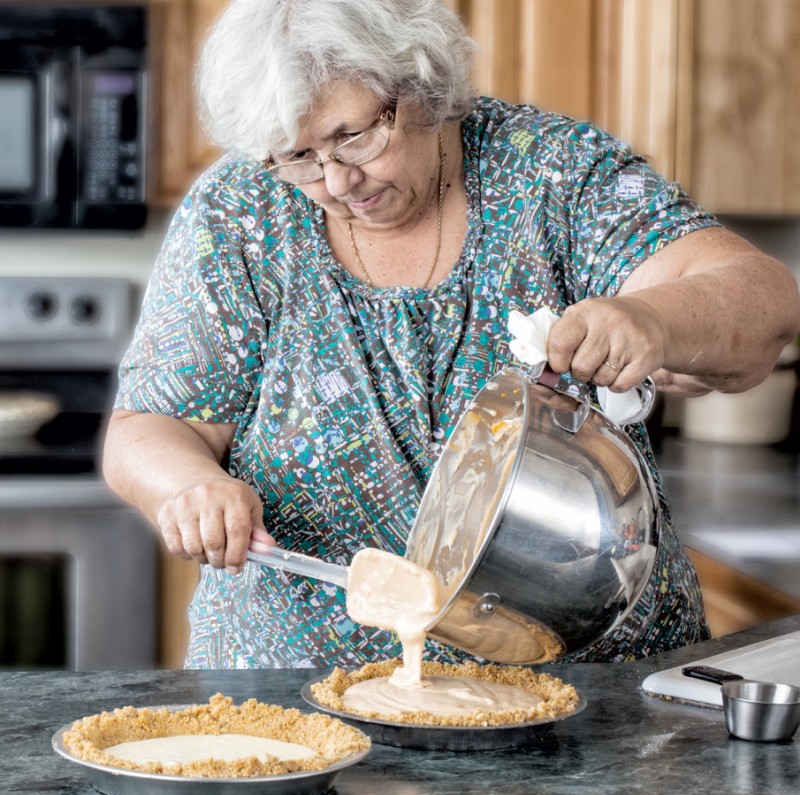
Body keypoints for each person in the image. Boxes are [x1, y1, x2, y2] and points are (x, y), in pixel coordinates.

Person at [103, 0, 800, 669]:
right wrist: (189, 485)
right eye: (297, 156)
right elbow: (145, 428)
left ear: (422, 82)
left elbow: (763, 300)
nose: (337, 179)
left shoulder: (550, 172)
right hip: (300, 704)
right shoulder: (241, 212)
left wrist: (654, 318)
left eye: (354, 135)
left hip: (588, 695)